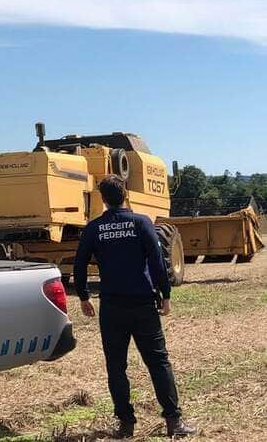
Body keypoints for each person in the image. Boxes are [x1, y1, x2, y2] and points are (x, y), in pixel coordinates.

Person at [73, 175, 195, 438]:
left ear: (103, 199)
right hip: (142, 304)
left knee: (116, 366)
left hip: (111, 307)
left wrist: (83, 296)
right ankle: (174, 422)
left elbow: (79, 263)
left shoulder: (94, 228)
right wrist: (165, 293)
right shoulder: (142, 223)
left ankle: (126, 424)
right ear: (125, 194)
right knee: (159, 362)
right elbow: (156, 260)